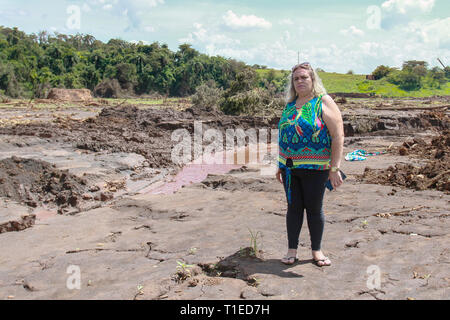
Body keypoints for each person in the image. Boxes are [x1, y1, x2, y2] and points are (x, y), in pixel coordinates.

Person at [276, 62, 344, 267]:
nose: (300, 81)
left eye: (304, 77)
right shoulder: (290, 105)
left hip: (317, 168)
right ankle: (292, 250)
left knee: (314, 209)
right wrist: (280, 165)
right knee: (293, 209)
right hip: (290, 168)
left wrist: (334, 168)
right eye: (296, 78)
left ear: (312, 79)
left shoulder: (322, 101)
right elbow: (284, 135)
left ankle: (317, 251)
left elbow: (338, 135)